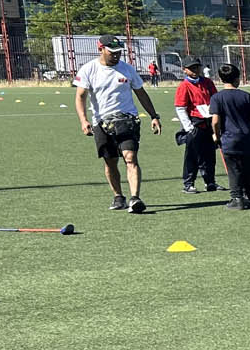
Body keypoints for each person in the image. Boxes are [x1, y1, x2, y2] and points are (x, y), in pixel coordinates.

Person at [74, 33, 164, 214]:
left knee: (130, 158)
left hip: (127, 120)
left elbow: (141, 93)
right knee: (110, 162)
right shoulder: (88, 69)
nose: (116, 55)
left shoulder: (127, 69)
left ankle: (135, 198)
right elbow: (80, 97)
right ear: (101, 49)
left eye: (118, 52)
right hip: (102, 122)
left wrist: (154, 116)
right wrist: (84, 120)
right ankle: (118, 196)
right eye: (112, 52)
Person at [207, 64, 250, 209]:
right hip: (247, 139)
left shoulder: (217, 98)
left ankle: (237, 198)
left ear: (221, 79)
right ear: (237, 79)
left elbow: (215, 121)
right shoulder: (246, 96)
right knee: (248, 171)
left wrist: (216, 135)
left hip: (229, 140)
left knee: (233, 171)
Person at [173, 58, 219, 195]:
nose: (195, 70)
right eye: (191, 68)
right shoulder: (184, 86)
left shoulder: (207, 82)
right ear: (185, 70)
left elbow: (215, 99)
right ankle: (189, 183)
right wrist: (188, 127)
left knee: (210, 154)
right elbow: (180, 108)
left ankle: (210, 181)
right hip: (194, 123)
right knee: (192, 155)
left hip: (209, 121)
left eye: (197, 67)